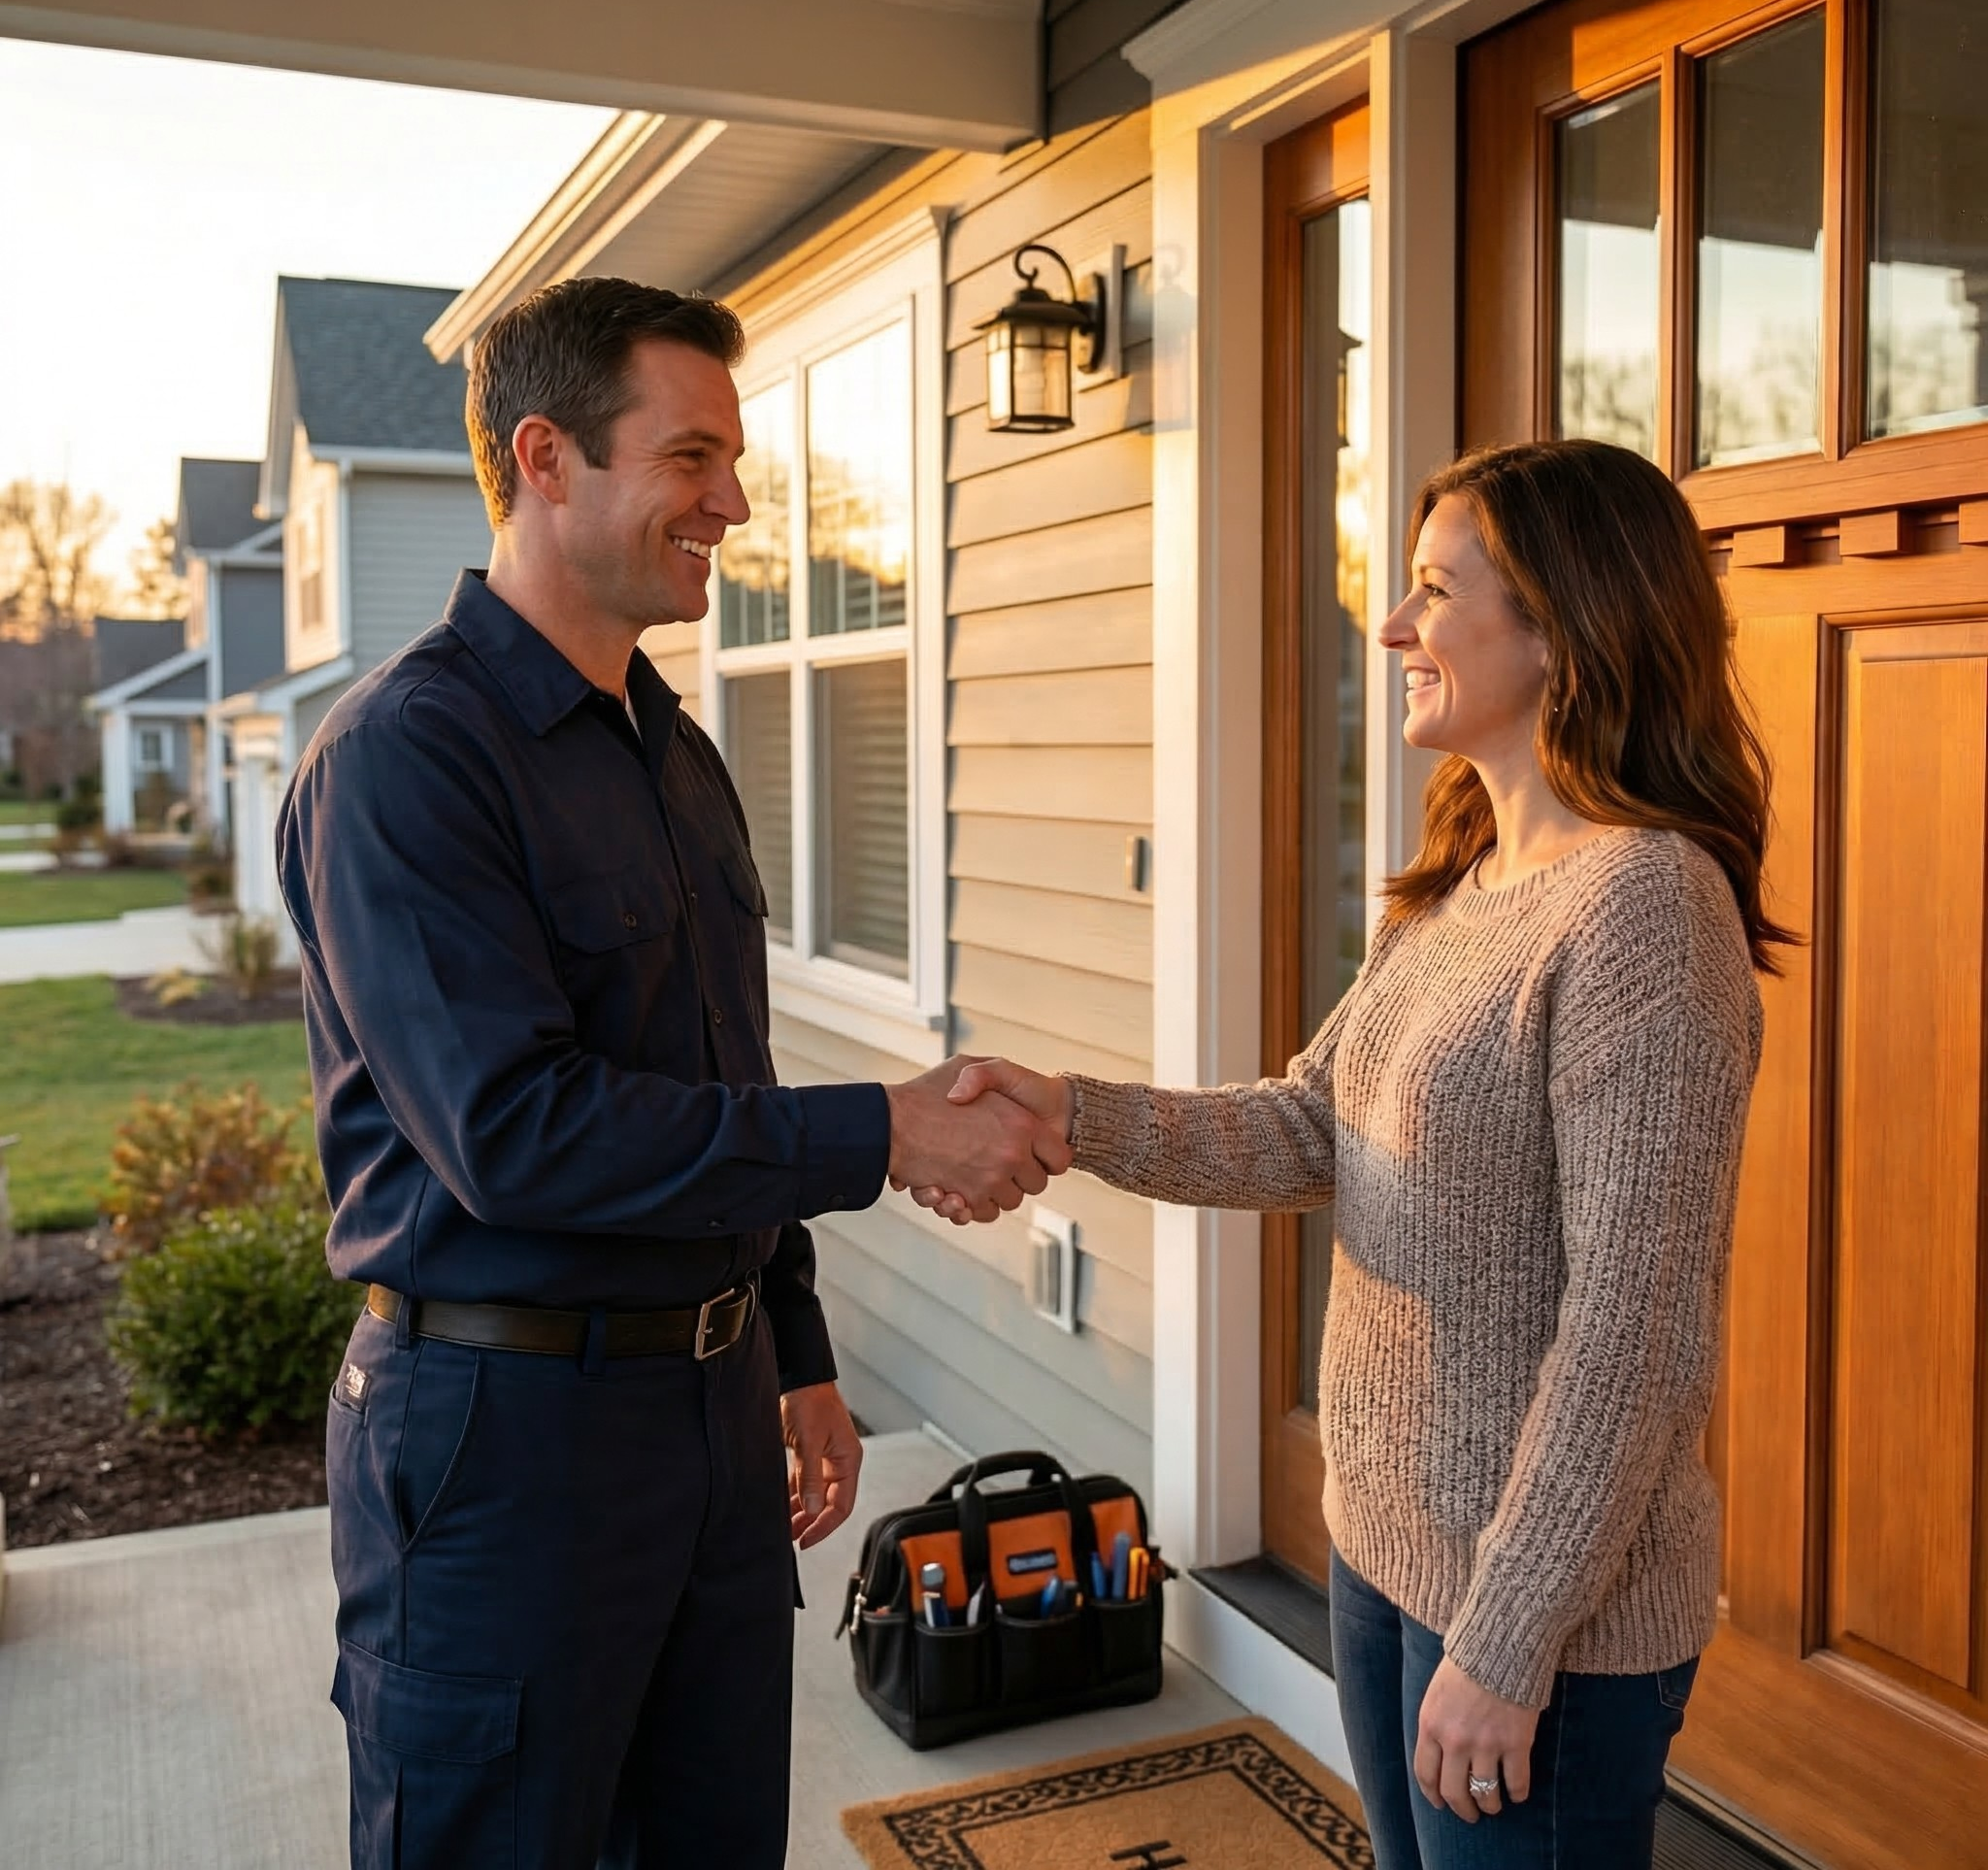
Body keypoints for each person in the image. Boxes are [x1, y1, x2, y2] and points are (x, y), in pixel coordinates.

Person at [278, 276, 1062, 1870]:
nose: (737, 501)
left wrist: (791, 1338)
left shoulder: (675, 752)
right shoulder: (403, 763)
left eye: (734, 459)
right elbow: (518, 1131)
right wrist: (890, 1131)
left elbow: (716, 1065)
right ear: (548, 457)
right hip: (502, 1443)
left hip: (704, 1425)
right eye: (692, 457)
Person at [921, 440, 1784, 1868]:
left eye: (1435, 592)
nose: (1391, 626)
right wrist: (1067, 1113)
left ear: (1567, 631)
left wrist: (1507, 1642)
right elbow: (1312, 1124)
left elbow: (1635, 1333)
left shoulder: (1645, 912)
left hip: (1536, 1615)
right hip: (1387, 1559)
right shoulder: (1458, 886)